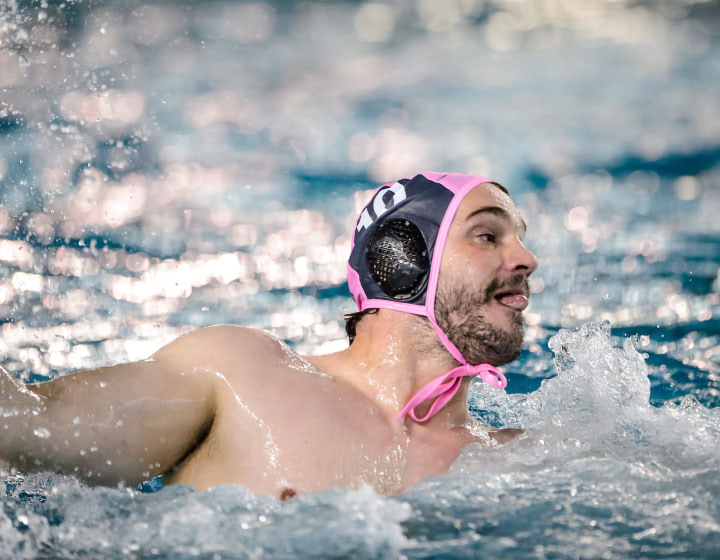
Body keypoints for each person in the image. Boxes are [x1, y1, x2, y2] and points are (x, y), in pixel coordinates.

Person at [0, 172, 537, 499]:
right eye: (487, 236)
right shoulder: (238, 375)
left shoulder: (520, 462)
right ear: (401, 262)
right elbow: (27, 427)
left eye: (520, 240)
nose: (527, 260)